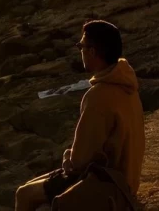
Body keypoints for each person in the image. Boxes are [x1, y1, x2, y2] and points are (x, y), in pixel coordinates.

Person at [14, 20, 145, 210]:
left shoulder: (98, 95)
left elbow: (80, 161)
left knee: (23, 194)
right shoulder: (128, 85)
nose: (80, 50)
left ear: (92, 51)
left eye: (81, 46)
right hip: (127, 179)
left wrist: (68, 157)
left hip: (108, 184)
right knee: (32, 186)